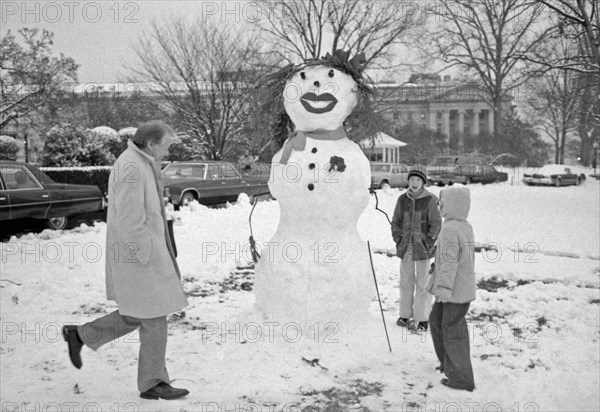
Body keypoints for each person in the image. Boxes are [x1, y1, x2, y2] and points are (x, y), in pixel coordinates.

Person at [62, 120, 190, 400]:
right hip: (140, 258)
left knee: (136, 313)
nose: (167, 151)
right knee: (154, 317)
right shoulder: (132, 166)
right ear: (152, 144)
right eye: (166, 145)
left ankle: (82, 335)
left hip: (142, 255)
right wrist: (148, 256)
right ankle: (153, 382)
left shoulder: (139, 161)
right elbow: (132, 220)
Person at [427, 186, 476, 392]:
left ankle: (461, 377)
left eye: (442, 202)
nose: (440, 205)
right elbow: (452, 257)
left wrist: (444, 289)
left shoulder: (450, 229)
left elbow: (450, 264)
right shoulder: (462, 225)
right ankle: (448, 364)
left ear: (452, 204)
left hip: (453, 290)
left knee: (452, 330)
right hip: (457, 288)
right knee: (437, 321)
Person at [391, 165, 442, 332]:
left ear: (423, 182)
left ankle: (422, 318)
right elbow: (396, 222)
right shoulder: (402, 200)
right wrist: (399, 238)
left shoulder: (430, 200)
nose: (414, 182)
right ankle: (405, 315)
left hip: (423, 248)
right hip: (406, 247)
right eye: (412, 179)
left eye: (418, 180)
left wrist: (429, 241)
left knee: (423, 283)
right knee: (405, 282)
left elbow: (436, 223)